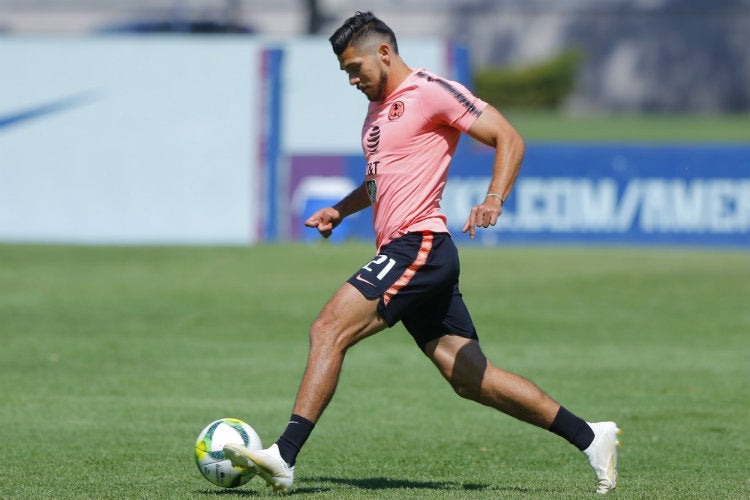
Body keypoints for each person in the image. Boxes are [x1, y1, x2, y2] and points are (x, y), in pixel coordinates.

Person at [224, 11, 621, 495]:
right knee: (472, 379)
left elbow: (508, 137)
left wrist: (494, 197)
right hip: (411, 253)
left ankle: (283, 456)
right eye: (345, 72)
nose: (352, 80)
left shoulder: (432, 90)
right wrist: (340, 211)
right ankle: (590, 437)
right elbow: (379, 184)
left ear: (384, 54)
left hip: (421, 245)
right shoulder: (375, 111)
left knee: (328, 328)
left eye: (355, 68)